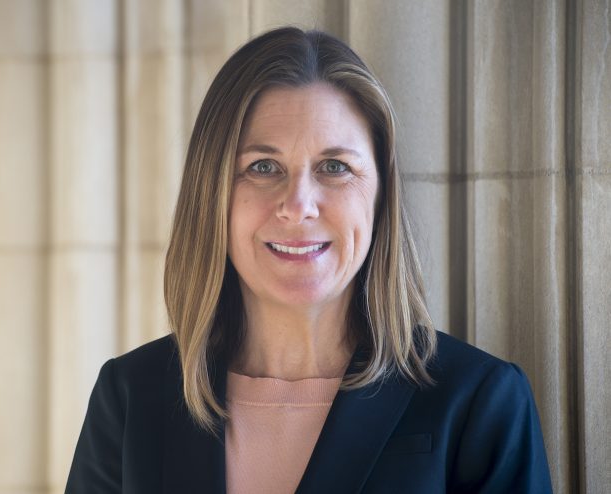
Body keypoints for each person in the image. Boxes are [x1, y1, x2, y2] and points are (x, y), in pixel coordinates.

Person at [65, 27, 552, 493]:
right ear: (210, 193)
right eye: (263, 167)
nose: (298, 205)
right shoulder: (130, 398)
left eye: (335, 167)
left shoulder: (479, 403)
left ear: (380, 196)